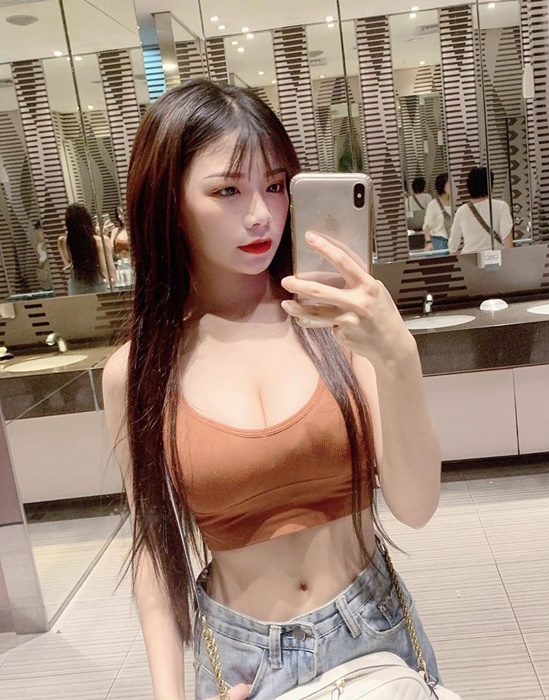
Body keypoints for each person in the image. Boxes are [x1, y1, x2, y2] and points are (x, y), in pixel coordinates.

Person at [102, 79, 442, 700]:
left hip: (372, 635)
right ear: (169, 202)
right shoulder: (139, 371)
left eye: (276, 185)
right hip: (241, 665)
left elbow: (416, 507)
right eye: (227, 190)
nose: (261, 213)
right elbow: (154, 552)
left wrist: (398, 355)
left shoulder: (336, 324)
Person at [448, 167, 514, 255]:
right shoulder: (501, 206)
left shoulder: (461, 211)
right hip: (494, 256)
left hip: (470, 258)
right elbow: (507, 237)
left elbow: (453, 244)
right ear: (490, 186)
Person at [57, 203, 115, 295]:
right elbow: (106, 269)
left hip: (75, 283)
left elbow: (68, 264)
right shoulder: (98, 241)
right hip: (96, 281)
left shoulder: (62, 242)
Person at [422, 173, 452, 251]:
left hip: (454, 241)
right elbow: (427, 226)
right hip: (439, 242)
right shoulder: (433, 204)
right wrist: (428, 242)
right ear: (442, 186)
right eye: (449, 184)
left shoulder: (455, 202)